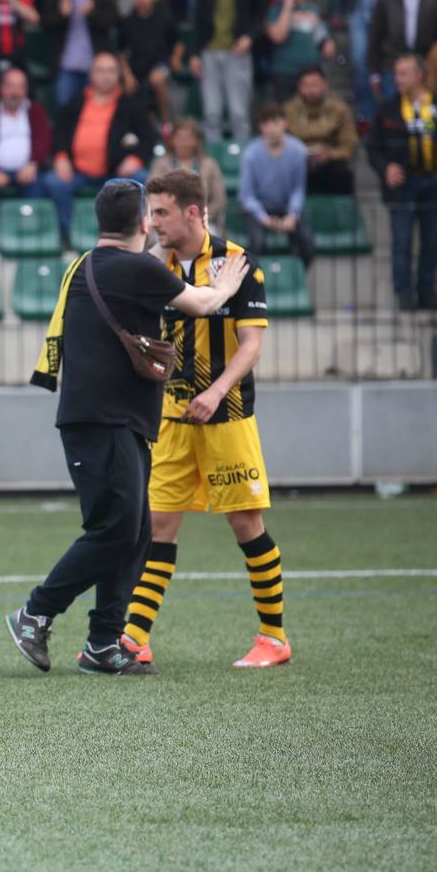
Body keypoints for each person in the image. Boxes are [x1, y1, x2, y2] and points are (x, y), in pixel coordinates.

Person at [10, 177, 250, 675]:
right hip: (103, 420)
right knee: (115, 529)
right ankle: (35, 613)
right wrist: (227, 283)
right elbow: (203, 304)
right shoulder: (135, 268)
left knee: (135, 531)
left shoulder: (86, 265)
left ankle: (103, 643)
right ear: (142, 222)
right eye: (153, 216)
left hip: (114, 420)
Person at [122, 169, 289, 670]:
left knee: (245, 523)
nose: (152, 223)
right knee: (159, 527)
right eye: (150, 213)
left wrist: (217, 392)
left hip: (228, 415)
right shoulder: (157, 265)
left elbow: (253, 345)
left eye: (162, 213)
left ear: (193, 211)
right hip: (171, 417)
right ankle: (134, 637)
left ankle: (274, 638)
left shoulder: (238, 263)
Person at [44, 52, 157, 250]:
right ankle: (68, 235)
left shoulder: (130, 104)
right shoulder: (75, 102)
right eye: (100, 70)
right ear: (91, 74)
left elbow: (149, 137)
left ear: (118, 75)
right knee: (53, 182)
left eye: (111, 71)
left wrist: (136, 159)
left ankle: (131, 237)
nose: (106, 76)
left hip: (115, 172)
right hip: (77, 171)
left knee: (141, 178)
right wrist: (61, 158)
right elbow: (58, 132)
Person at [368, 53, 437, 311]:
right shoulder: (388, 108)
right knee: (401, 241)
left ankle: (427, 293)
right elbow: (373, 147)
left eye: (403, 73)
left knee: (432, 240)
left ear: (419, 75)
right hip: (403, 184)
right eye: (396, 73)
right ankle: (404, 295)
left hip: (434, 182)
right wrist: (386, 168)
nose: (397, 78)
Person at [0, 66, 54, 240]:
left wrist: (33, 164)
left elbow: (43, 142)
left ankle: (32, 234)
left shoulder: (36, 112)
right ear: (0, 88)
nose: (15, 92)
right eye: (10, 86)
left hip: (28, 169)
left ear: (26, 90)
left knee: (42, 183)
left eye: (20, 86)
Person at [192, 0, 267, 144]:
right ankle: (212, 157)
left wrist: (249, 37)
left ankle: (242, 157)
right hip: (209, 49)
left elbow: (260, 14)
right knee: (211, 111)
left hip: (237, 50)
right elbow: (198, 18)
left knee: (239, 112)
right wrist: (195, 53)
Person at [239, 103, 313, 268]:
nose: (271, 128)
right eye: (266, 123)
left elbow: (298, 189)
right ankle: (259, 285)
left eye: (276, 122)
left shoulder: (298, 151)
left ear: (285, 123)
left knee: (307, 241)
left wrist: (292, 215)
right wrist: (264, 218)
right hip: (259, 209)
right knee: (257, 244)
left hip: (287, 208)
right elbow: (247, 196)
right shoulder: (250, 154)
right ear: (260, 127)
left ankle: (296, 279)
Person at [369, 0, 437, 106]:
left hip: (429, 64)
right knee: (393, 112)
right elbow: (376, 35)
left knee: (429, 114)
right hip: (392, 65)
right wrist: (374, 72)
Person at [117, 0, 182, 131]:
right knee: (127, 89)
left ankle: (167, 123)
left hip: (162, 66)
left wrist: (176, 58)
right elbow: (120, 52)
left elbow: (178, 43)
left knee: (157, 79)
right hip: (137, 70)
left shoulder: (165, 17)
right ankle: (137, 128)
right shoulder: (128, 21)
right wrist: (127, 75)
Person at [44, 0, 116, 110]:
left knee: (99, 115)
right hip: (66, 65)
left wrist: (93, 13)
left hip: (97, 66)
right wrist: (61, 14)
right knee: (65, 116)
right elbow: (46, 23)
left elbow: (112, 20)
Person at [283, 66, 359, 196]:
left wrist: (329, 154)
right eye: (306, 85)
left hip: (332, 162)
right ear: (299, 87)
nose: (311, 90)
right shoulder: (289, 110)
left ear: (325, 85)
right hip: (298, 162)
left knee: (342, 172)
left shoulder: (339, 109)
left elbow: (349, 144)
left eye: (315, 85)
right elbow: (282, 143)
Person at [264, 0, 336, 101]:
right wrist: (287, 6)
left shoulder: (314, 9)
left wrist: (327, 44)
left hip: (312, 74)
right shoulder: (274, 10)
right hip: (285, 73)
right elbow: (278, 37)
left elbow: (327, 45)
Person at [149, 119, 226, 233]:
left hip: (202, 220)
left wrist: (200, 217)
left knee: (209, 237)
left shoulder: (209, 165)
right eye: (179, 138)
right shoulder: (160, 164)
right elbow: (152, 194)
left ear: (196, 141)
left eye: (188, 138)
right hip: (166, 221)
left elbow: (219, 200)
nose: (184, 142)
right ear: (172, 140)